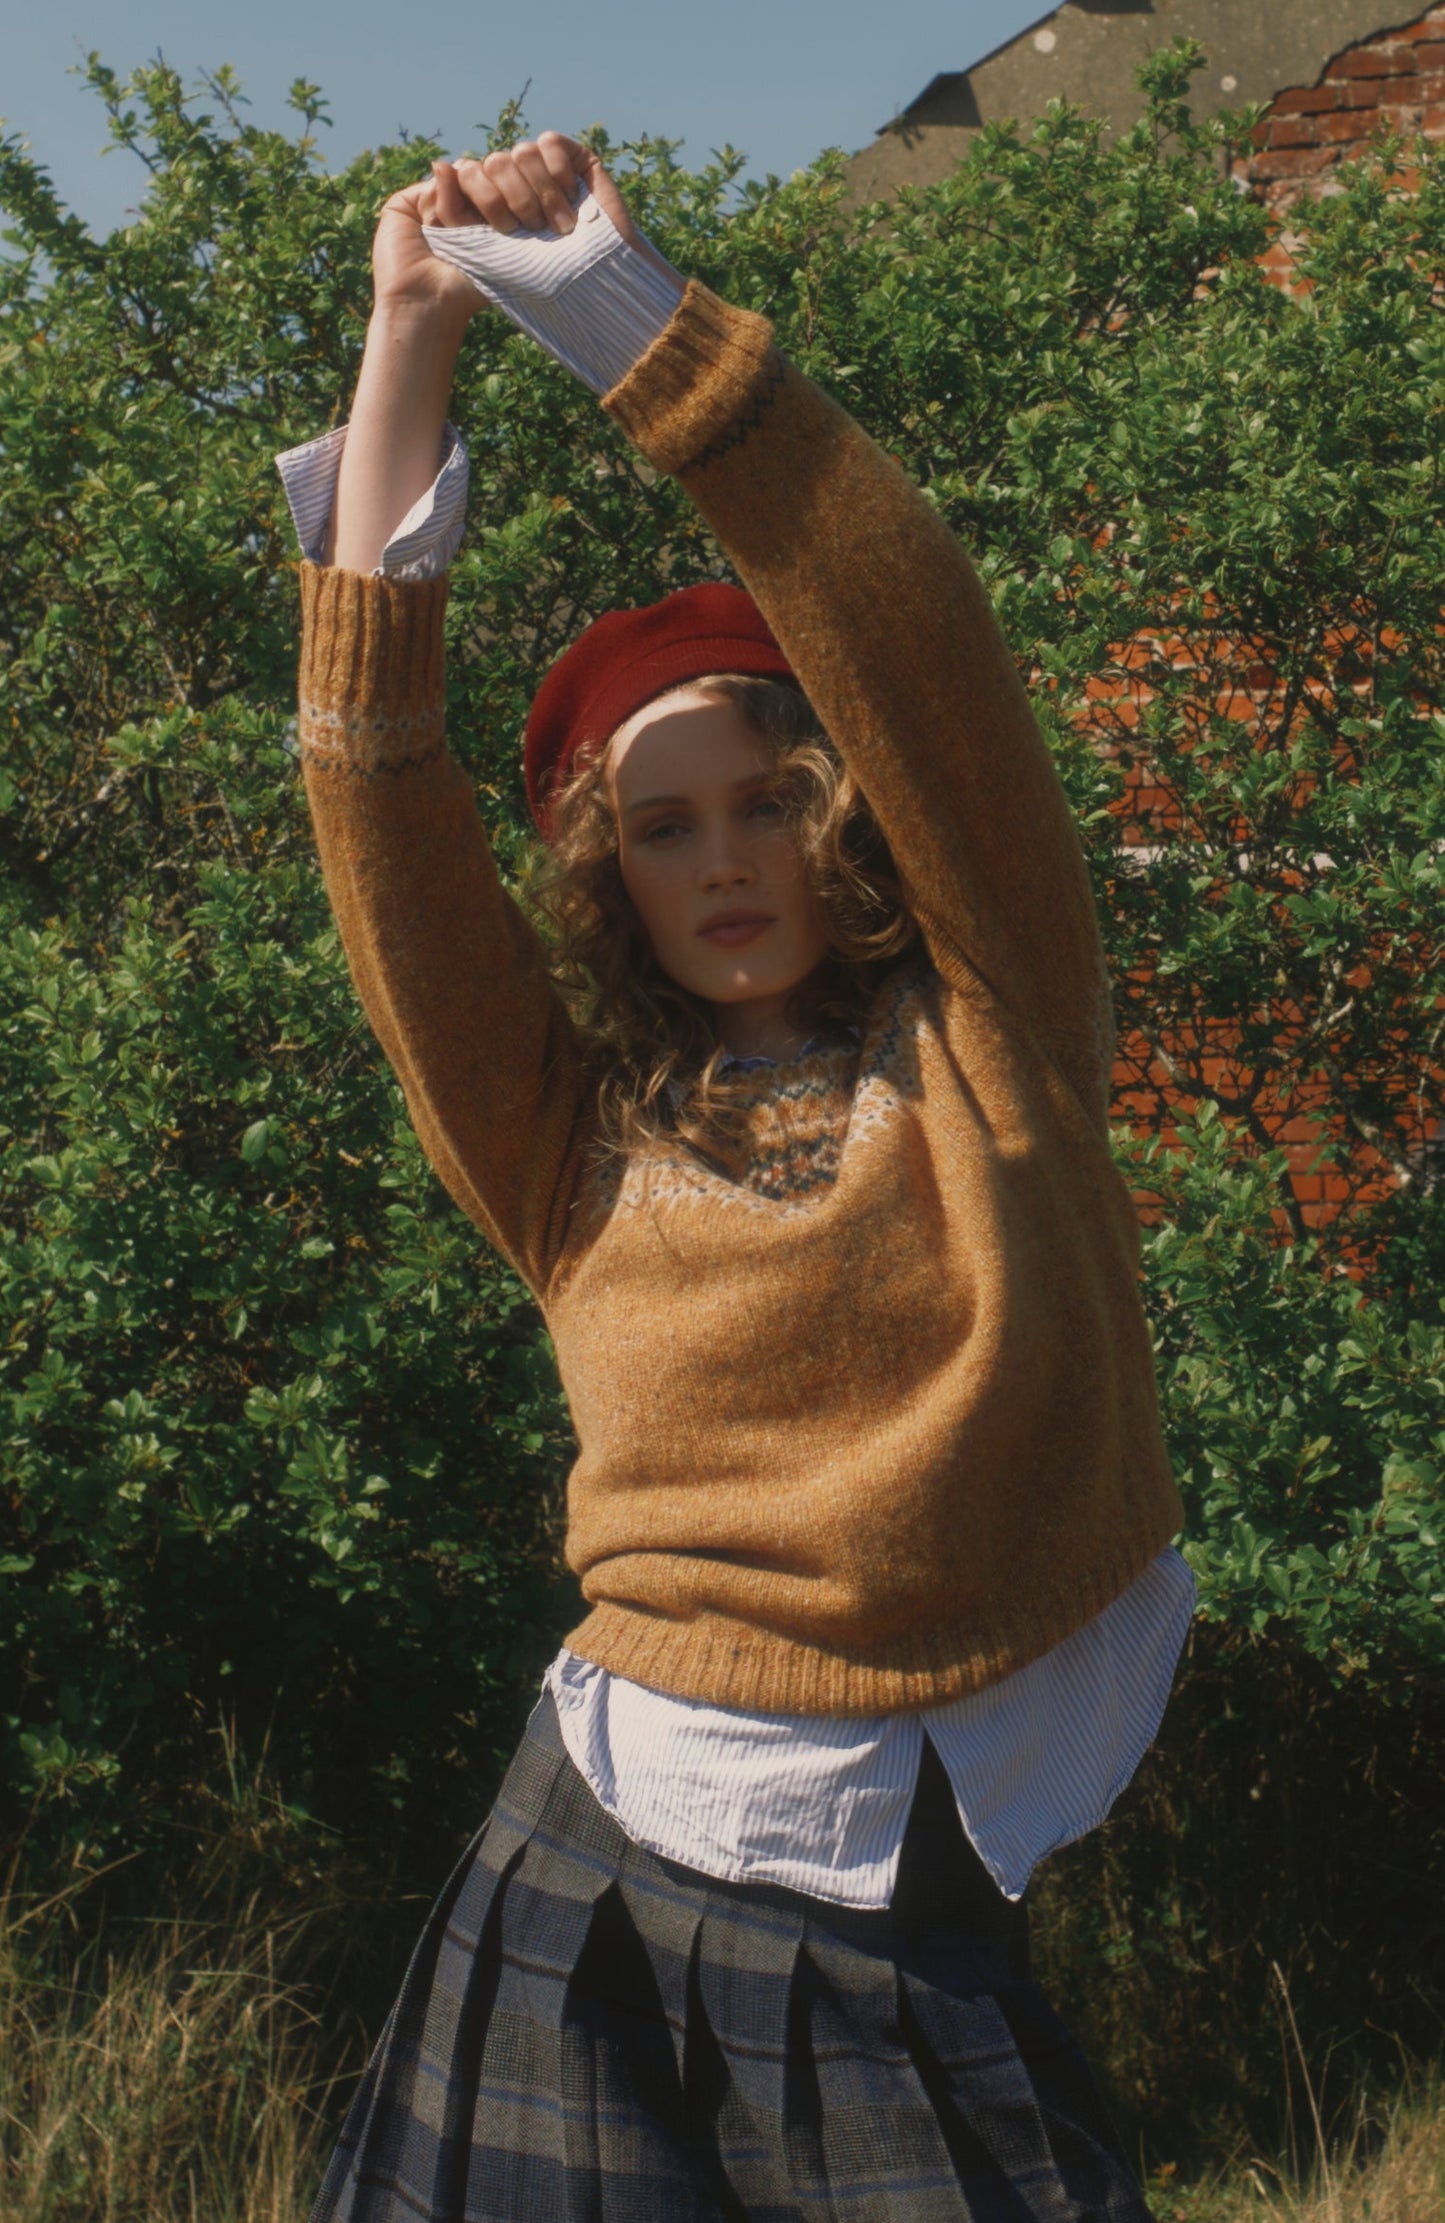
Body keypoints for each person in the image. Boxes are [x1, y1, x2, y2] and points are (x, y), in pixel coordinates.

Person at [275, 127, 1194, 2223]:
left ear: (836, 806)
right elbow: (376, 797)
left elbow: (913, 630)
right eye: (662, 823)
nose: (722, 861)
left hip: (911, 1887)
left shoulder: (996, 1032)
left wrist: (623, 305)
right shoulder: (563, 1135)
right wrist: (404, 333)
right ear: (613, 866)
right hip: (590, 1855)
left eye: (761, 797)